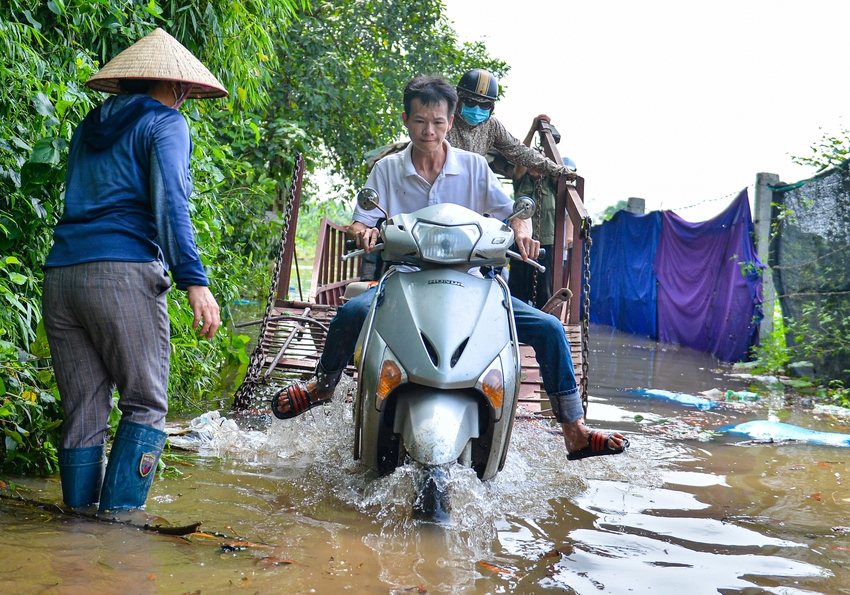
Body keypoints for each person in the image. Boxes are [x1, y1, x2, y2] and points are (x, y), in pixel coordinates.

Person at [272, 75, 627, 461]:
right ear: (406, 119)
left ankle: (574, 430)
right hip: (405, 278)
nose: (430, 130)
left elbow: (513, 213)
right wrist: (364, 233)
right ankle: (322, 387)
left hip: (474, 281)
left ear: (450, 120)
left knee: (549, 328)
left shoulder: (474, 167)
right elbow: (360, 220)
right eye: (421, 121)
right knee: (350, 312)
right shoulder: (387, 171)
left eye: (438, 122)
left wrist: (523, 230)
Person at [42, 28, 224, 513]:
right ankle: (118, 536)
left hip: (62, 276)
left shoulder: (90, 124)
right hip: (122, 274)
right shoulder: (166, 123)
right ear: (179, 86)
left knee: (83, 412)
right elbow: (171, 204)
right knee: (145, 404)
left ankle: (77, 536)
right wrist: (194, 282)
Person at [446, 69, 575, 181]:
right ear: (458, 100)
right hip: (437, 182)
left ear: (492, 107)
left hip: (469, 186)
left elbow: (519, 151)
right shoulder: (442, 119)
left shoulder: (492, 126)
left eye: (484, 105)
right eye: (470, 102)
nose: (477, 109)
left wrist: (556, 170)